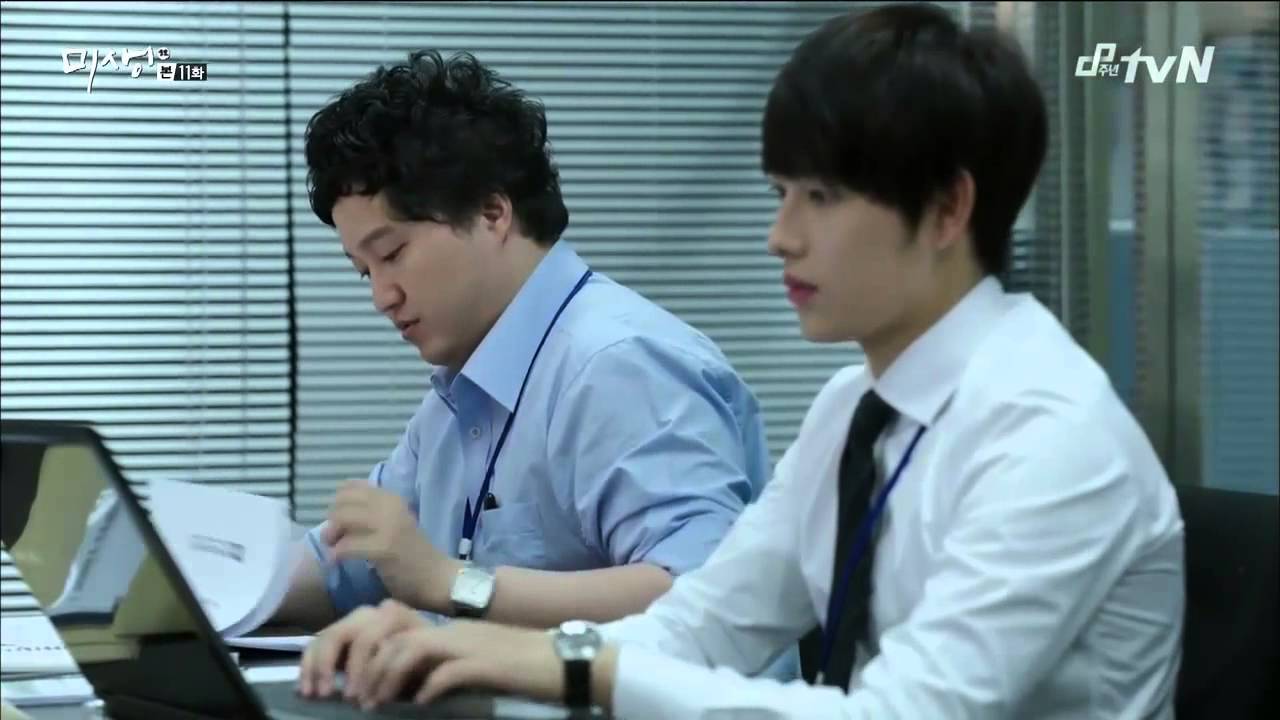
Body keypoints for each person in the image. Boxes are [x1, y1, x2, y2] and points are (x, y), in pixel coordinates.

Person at [294, 3, 1187, 718]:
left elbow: (906, 712)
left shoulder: (1049, 436)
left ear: (948, 209)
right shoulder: (857, 407)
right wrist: (473, 648)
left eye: (820, 198)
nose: (779, 236)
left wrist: (520, 642)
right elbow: (700, 625)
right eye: (779, 193)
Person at [271, 49, 777, 644]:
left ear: (492, 212)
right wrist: (203, 585)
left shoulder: (618, 363)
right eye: (364, 271)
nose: (382, 296)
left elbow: (700, 593)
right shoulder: (458, 399)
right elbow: (345, 569)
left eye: (392, 254)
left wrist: (454, 584)